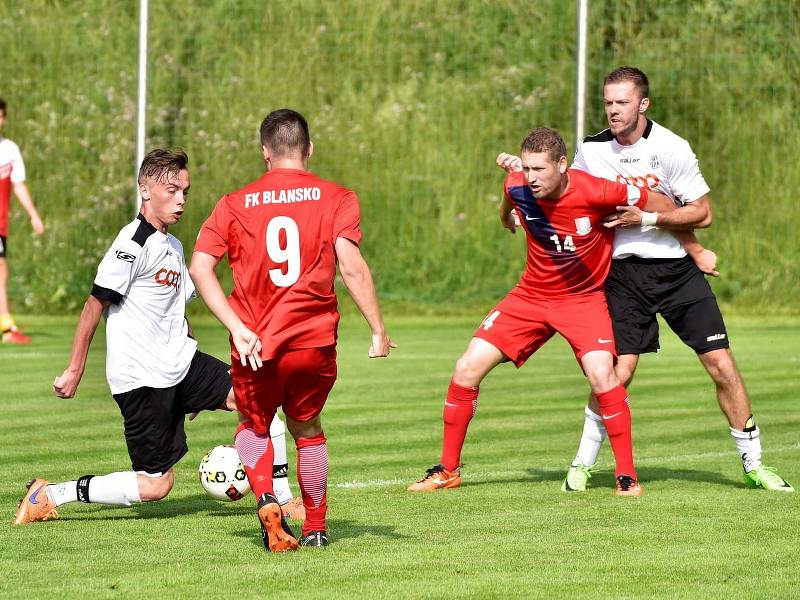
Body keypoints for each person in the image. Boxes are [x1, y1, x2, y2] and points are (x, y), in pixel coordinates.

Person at [498, 66, 792, 493]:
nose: (614, 111)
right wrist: (525, 208)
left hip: (675, 272)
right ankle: (581, 465)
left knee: (721, 365)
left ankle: (755, 465)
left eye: (622, 102)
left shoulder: (672, 148)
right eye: (608, 102)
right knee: (617, 372)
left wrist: (664, 229)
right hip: (620, 273)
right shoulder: (591, 151)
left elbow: (702, 212)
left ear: (643, 104)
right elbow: (568, 196)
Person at [13, 149, 302, 526]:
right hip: (142, 379)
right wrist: (74, 369)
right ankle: (50, 495)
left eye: (185, 190)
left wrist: (194, 378)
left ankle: (281, 499)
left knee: (259, 402)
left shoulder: (174, 246)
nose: (180, 199)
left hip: (181, 364)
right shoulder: (132, 243)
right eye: (171, 190)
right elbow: (93, 305)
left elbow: (175, 311)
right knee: (156, 486)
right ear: (145, 189)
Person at [408, 127, 679, 497]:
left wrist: (644, 219)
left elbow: (664, 204)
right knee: (467, 367)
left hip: (582, 300)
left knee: (604, 376)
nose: (532, 178)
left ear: (563, 165)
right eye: (528, 168)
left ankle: (626, 476)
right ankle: (448, 471)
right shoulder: (518, 185)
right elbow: (507, 210)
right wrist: (510, 218)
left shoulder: (598, 190)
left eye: (540, 169)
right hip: (530, 297)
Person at [190, 108, 394, 551]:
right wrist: (377, 327)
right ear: (309, 148)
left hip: (255, 344)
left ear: (265, 151)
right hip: (313, 342)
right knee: (307, 429)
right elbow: (352, 267)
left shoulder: (234, 203)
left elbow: (200, 267)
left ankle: (266, 498)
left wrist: (236, 326)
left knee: (252, 425)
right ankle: (317, 527)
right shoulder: (337, 198)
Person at [0, 97, 45, 344]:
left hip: (1, 225)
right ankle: (6, 328)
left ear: (4, 119)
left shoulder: (9, 150)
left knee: (1, 271)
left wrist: (33, 215)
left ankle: (6, 327)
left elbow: (18, 185)